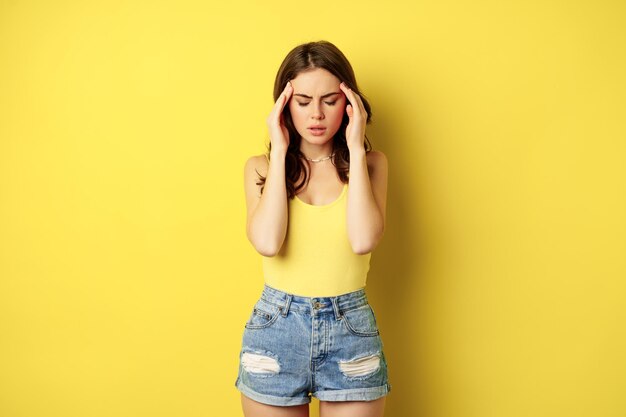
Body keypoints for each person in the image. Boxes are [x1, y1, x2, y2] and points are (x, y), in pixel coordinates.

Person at [235, 40, 390, 417]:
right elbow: (268, 242)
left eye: (330, 101)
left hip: (350, 330)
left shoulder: (370, 165)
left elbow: (363, 239)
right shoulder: (260, 168)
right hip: (276, 330)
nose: (316, 114)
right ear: (284, 106)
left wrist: (354, 147)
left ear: (349, 103)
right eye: (303, 101)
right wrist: (279, 148)